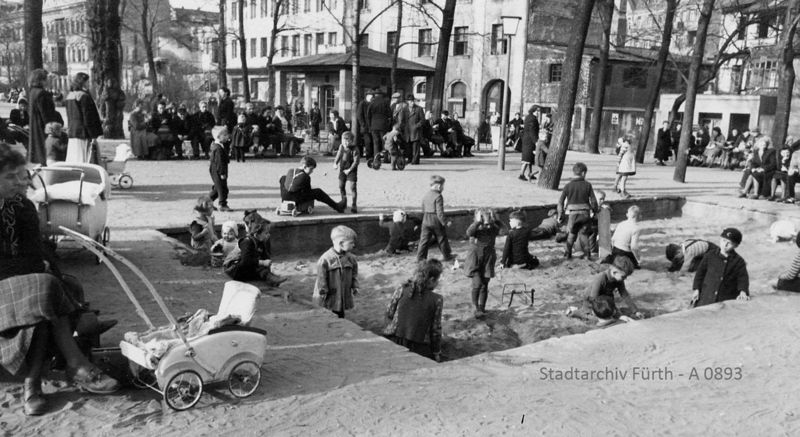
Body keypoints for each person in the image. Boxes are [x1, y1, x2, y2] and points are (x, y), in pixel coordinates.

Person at [0, 143, 120, 415]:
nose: (21, 183)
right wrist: (36, 268)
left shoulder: (22, 207)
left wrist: (42, 268)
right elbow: (28, 260)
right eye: (10, 177)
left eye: (22, 176)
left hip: (19, 282)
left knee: (59, 287)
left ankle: (33, 384)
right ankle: (75, 362)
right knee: (47, 287)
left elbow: (37, 251)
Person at [383, 259, 444, 361]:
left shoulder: (402, 289)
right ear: (432, 280)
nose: (438, 283)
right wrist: (436, 353)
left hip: (395, 339)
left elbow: (389, 312)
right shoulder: (437, 299)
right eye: (438, 280)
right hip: (419, 346)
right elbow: (435, 330)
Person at [569, 256, 643, 326]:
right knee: (600, 320)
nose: (625, 279)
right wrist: (612, 315)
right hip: (591, 302)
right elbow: (593, 298)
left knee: (616, 316)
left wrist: (635, 311)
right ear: (614, 272)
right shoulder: (601, 278)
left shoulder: (619, 279)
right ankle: (577, 312)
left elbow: (625, 295)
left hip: (605, 300)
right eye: (623, 276)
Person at [224, 212, 287, 288]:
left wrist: (266, 264)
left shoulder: (260, 241)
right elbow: (246, 261)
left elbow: (265, 256)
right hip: (234, 268)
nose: (268, 235)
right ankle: (268, 277)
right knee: (258, 268)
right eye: (266, 233)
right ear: (257, 234)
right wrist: (262, 263)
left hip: (245, 265)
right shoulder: (247, 242)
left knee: (260, 269)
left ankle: (269, 277)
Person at [692, 228, 750, 307]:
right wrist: (696, 289)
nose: (725, 245)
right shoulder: (710, 255)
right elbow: (700, 273)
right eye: (723, 240)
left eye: (729, 243)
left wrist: (743, 291)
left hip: (725, 299)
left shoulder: (738, 261)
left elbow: (742, 278)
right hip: (706, 297)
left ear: (736, 245)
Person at [313, 226, 359, 318]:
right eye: (351, 243)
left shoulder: (351, 258)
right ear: (341, 243)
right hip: (329, 293)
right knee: (327, 310)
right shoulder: (326, 259)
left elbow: (354, 274)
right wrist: (323, 291)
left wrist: (354, 286)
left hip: (341, 292)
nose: (354, 245)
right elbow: (321, 277)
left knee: (340, 309)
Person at [464, 208, 503, 318]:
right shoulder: (475, 230)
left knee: (485, 284)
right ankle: (475, 307)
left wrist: (496, 220)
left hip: (488, 259)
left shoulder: (492, 229)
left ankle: (482, 307)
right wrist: (478, 222)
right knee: (477, 284)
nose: (486, 221)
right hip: (475, 259)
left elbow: (503, 230)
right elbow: (469, 232)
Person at [557, 162, 599, 259]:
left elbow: (560, 201)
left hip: (573, 214)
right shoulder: (588, 185)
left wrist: (560, 214)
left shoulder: (567, 186)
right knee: (584, 234)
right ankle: (587, 254)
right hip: (585, 214)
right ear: (583, 173)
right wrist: (595, 211)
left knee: (571, 234)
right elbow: (593, 200)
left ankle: (568, 253)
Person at [64, 73, 103, 164]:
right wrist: (93, 133)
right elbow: (88, 117)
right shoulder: (84, 96)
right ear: (82, 82)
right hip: (83, 132)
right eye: (87, 81)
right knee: (84, 157)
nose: (88, 83)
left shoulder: (69, 96)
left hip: (73, 131)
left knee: (74, 156)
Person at [27, 69, 63, 166]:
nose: (48, 81)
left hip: (35, 125)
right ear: (41, 80)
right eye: (46, 79)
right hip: (43, 127)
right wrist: (54, 127)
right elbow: (47, 114)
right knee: (46, 152)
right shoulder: (42, 94)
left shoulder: (32, 92)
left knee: (38, 151)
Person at [417, 175, 454, 262]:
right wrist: (445, 222)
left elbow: (422, 208)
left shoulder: (426, 195)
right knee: (441, 238)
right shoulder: (438, 196)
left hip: (426, 219)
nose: (443, 188)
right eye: (443, 186)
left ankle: (420, 258)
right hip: (435, 219)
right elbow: (440, 213)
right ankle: (447, 255)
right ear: (438, 186)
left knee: (424, 240)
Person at [334, 131, 359, 213]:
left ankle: (354, 205)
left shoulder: (355, 149)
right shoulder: (341, 146)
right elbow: (338, 155)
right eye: (343, 140)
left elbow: (356, 162)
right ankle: (343, 202)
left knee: (352, 187)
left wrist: (349, 170)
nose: (345, 142)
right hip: (342, 169)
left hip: (351, 170)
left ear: (351, 141)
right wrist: (335, 163)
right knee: (341, 186)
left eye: (347, 141)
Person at [208, 126, 232, 212]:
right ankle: (222, 204)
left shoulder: (219, 145)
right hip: (217, 170)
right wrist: (222, 173)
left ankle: (206, 203)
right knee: (222, 188)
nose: (227, 136)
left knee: (217, 188)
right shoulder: (217, 148)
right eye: (224, 135)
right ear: (218, 136)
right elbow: (219, 162)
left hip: (216, 169)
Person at [368, 89, 392, 158]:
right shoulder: (385, 102)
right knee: (384, 141)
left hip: (374, 125)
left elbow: (368, 115)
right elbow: (389, 114)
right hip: (383, 125)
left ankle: (376, 157)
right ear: (381, 95)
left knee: (376, 142)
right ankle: (385, 157)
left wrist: (370, 125)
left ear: (375, 95)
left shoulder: (372, 102)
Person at [520, 106, 540, 180]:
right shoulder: (532, 119)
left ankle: (530, 173)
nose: (538, 112)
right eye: (537, 111)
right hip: (529, 141)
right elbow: (532, 131)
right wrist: (536, 141)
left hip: (527, 140)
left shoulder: (528, 117)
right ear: (534, 111)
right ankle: (521, 174)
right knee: (527, 158)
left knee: (530, 158)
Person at [405, 95, 425, 165]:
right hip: (407, 131)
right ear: (407, 102)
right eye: (410, 101)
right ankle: (410, 159)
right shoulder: (405, 109)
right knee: (408, 146)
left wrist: (417, 126)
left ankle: (415, 160)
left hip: (415, 131)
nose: (412, 103)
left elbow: (422, 120)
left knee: (416, 147)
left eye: (413, 101)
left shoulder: (419, 109)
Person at [615, 134, 636, 198]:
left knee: (624, 178)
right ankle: (622, 191)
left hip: (627, 163)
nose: (633, 140)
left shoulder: (628, 145)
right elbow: (620, 154)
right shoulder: (625, 145)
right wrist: (618, 162)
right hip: (625, 164)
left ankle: (622, 189)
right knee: (624, 178)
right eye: (631, 138)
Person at [358, 91, 374, 160]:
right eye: (369, 95)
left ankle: (372, 155)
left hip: (372, 126)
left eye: (371, 96)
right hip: (365, 127)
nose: (371, 97)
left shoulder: (373, 103)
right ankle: (368, 155)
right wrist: (363, 124)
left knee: (373, 141)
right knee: (368, 141)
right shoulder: (362, 103)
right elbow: (359, 115)